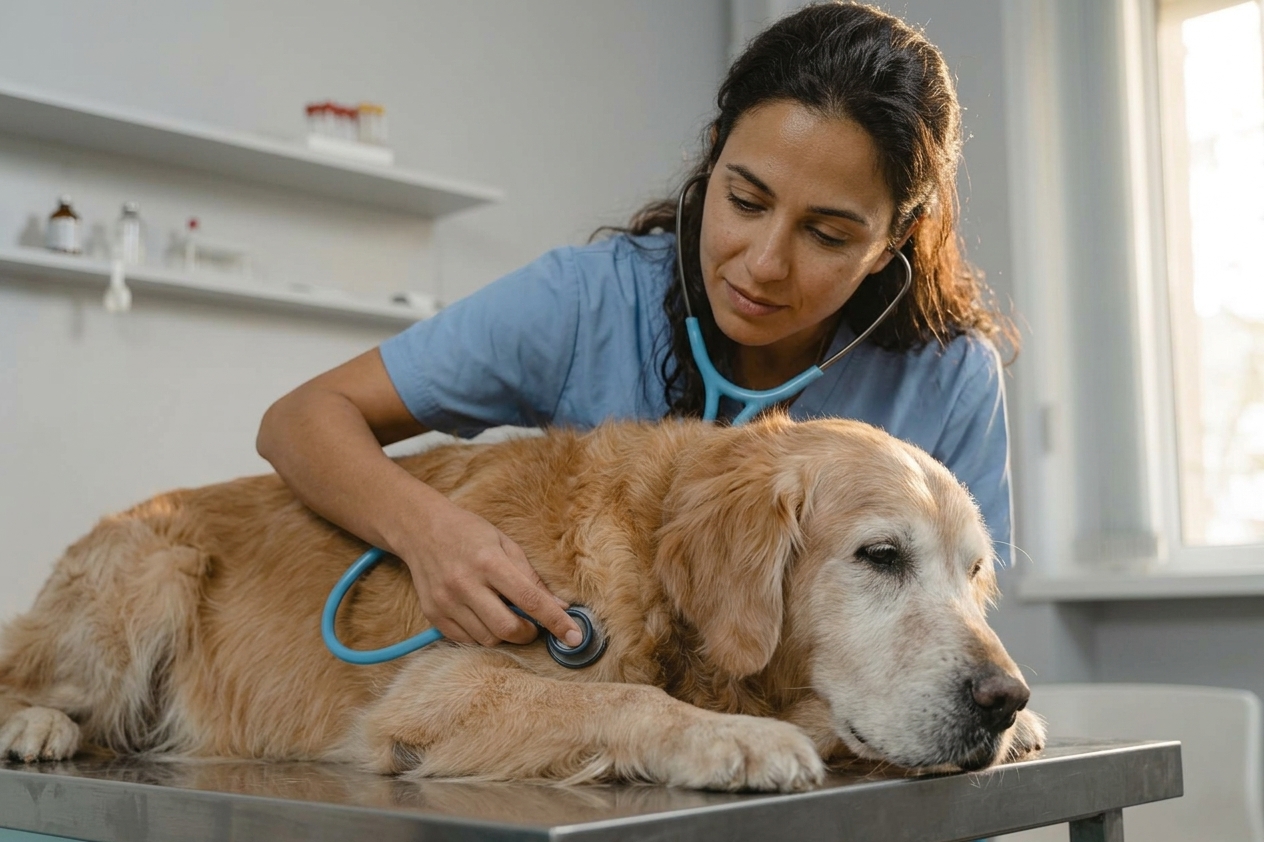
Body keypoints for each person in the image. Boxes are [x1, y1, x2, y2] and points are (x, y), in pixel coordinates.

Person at [257, 1, 1016, 655]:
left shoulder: (949, 376)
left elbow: (959, 616)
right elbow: (301, 421)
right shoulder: (589, 301)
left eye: (827, 235)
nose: (763, 263)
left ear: (895, 237)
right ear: (714, 153)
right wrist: (431, 535)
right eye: (745, 201)